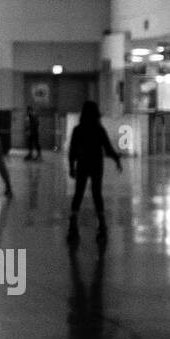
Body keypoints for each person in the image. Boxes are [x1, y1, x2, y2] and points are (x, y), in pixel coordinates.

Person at [66, 100, 123, 242]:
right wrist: (117, 159)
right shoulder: (99, 129)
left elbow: (72, 150)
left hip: (83, 163)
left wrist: (71, 166)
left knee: (79, 192)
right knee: (97, 192)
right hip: (96, 163)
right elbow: (108, 148)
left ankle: (73, 223)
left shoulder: (78, 129)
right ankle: (102, 225)